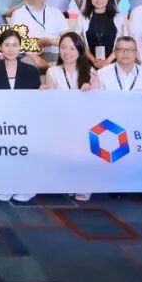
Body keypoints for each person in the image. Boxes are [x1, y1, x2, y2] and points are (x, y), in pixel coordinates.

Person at [0, 29, 39, 203]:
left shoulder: (31, 70)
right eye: (6, 45)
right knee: (4, 154)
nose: (10, 49)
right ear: (0, 47)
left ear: (20, 47)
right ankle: (6, 185)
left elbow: (36, 101)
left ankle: (27, 187)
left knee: (24, 153)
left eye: (15, 45)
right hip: (1, 121)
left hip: (25, 122)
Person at [43, 32, 96, 201]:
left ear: (80, 50)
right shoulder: (52, 71)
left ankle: (84, 186)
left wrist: (91, 89)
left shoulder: (90, 72)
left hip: (84, 121)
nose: (67, 52)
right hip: (61, 120)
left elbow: (98, 102)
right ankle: (69, 182)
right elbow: (50, 102)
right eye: (63, 48)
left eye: (72, 48)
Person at [9, 0, 66, 65]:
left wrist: (51, 41)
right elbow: (18, 42)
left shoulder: (56, 12)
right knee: (28, 64)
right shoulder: (18, 14)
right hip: (31, 56)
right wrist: (36, 59)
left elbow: (68, 37)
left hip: (57, 53)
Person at [76, 0, 127, 69]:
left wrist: (107, 62)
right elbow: (79, 42)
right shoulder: (82, 17)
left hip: (113, 63)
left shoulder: (118, 17)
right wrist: (94, 61)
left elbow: (123, 43)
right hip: (89, 64)